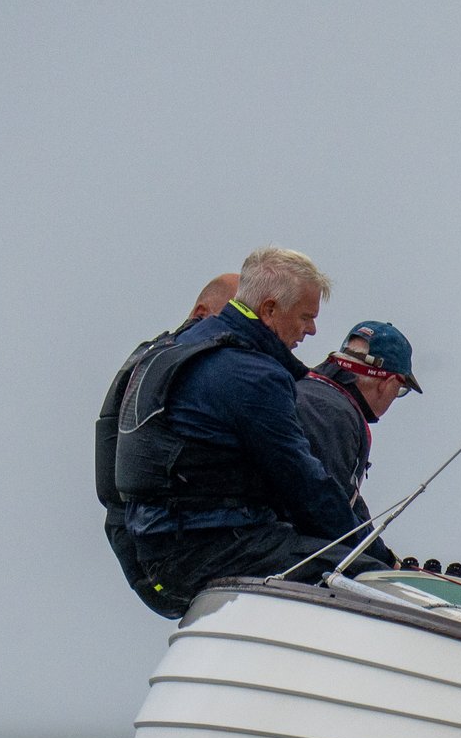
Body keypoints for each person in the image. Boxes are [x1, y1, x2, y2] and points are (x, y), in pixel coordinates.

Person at [110, 247, 367, 616]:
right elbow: (303, 484)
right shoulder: (252, 376)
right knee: (360, 573)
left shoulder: (178, 347)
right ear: (270, 310)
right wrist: (370, 551)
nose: (311, 330)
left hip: (149, 548)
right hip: (206, 550)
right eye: (306, 317)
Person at [96, 270, 247, 590]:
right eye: (238, 317)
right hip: (161, 549)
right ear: (202, 313)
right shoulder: (172, 366)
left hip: (148, 540)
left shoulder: (154, 360)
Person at [294, 321, 422, 568]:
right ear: (387, 382)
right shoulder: (335, 414)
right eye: (400, 390)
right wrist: (385, 563)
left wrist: (384, 554)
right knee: (371, 575)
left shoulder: (304, 386)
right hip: (273, 548)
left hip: (250, 534)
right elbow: (329, 510)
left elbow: (347, 503)